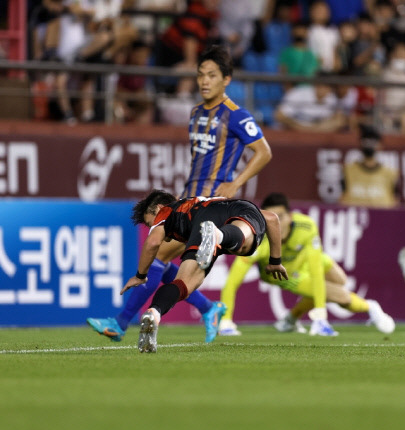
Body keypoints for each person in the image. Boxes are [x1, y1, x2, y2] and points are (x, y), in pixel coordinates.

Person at [87, 45, 274, 343]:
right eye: (200, 74)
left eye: (212, 75)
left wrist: (236, 183)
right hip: (189, 198)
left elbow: (264, 152)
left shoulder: (236, 116)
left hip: (212, 204)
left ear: (226, 80)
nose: (204, 81)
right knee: (162, 262)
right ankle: (208, 308)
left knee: (157, 256)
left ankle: (121, 323)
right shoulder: (196, 113)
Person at [123, 189, 288, 352]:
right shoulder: (193, 204)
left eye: (149, 223)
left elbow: (153, 243)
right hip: (225, 214)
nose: (151, 226)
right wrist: (275, 261)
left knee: (183, 283)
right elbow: (272, 219)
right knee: (185, 285)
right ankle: (154, 314)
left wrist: (140, 275)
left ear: (158, 208)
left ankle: (154, 311)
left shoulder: (166, 211)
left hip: (205, 223)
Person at [218, 192, 394, 337]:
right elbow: (232, 281)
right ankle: (371, 307)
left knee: (339, 279)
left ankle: (291, 319)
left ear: (290, 216)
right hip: (283, 273)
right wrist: (226, 321)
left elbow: (316, 268)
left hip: (304, 259)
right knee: (341, 296)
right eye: (271, 218)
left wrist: (320, 316)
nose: (276, 223)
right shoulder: (258, 239)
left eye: (280, 217)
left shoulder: (306, 227)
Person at [341, 124, 398, 208]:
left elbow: (395, 201)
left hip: (382, 219)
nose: (369, 144)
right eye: (366, 141)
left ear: (380, 145)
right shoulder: (347, 170)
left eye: (373, 141)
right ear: (360, 143)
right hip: (355, 218)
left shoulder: (390, 173)